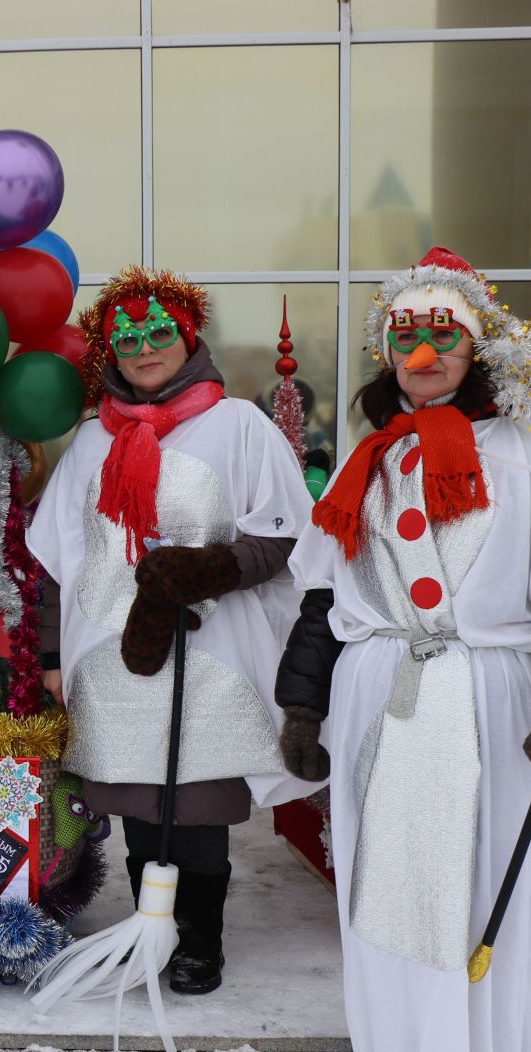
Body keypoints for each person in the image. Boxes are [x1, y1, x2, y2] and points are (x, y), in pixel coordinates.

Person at [275, 247, 531, 1052]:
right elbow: (322, 596)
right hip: (379, 694)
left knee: (470, 889)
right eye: (404, 335)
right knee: (381, 887)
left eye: (443, 336)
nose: (421, 352)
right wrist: (303, 709)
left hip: (488, 701)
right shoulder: (367, 458)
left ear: (479, 349)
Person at [27, 265, 314, 997]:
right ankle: (150, 931)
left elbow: (283, 536)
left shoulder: (239, 426)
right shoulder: (92, 441)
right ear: (110, 352)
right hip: (110, 654)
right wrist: (54, 657)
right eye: (127, 338)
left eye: (159, 332)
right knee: (134, 801)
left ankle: (198, 941)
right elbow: (59, 555)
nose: (144, 348)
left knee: (198, 802)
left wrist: (205, 572)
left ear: (187, 337)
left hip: (207, 649)